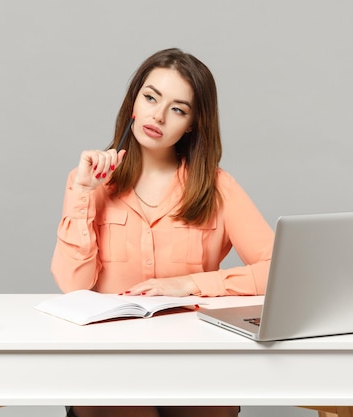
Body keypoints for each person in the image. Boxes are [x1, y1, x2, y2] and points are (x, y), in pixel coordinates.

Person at [51, 48, 274, 417]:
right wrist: (84, 194)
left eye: (178, 108)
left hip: (195, 357)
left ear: (192, 123)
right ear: (134, 101)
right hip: (109, 358)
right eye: (151, 97)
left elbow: (279, 272)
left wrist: (189, 284)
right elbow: (73, 283)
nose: (157, 115)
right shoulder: (89, 181)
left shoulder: (218, 187)